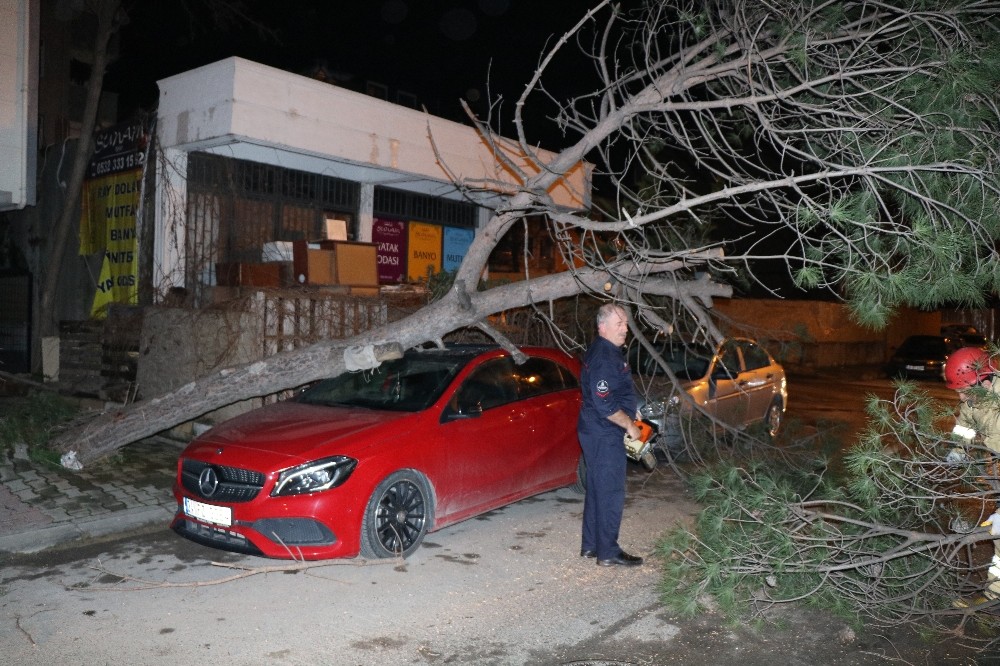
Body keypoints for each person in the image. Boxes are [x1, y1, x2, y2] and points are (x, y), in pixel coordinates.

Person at [577, 303, 644, 567]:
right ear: (602, 327)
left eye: (626, 324)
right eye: (620, 324)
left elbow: (611, 393)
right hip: (605, 432)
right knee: (611, 491)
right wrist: (629, 424)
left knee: (597, 488)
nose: (625, 329)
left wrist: (631, 410)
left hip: (595, 429)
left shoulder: (606, 351)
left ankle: (591, 545)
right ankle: (608, 552)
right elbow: (604, 404)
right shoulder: (605, 357)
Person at [945, 346, 1000, 603]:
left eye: (964, 391)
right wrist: (958, 450)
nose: (961, 398)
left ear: (984, 380)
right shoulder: (973, 401)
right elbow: (965, 424)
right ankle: (995, 597)